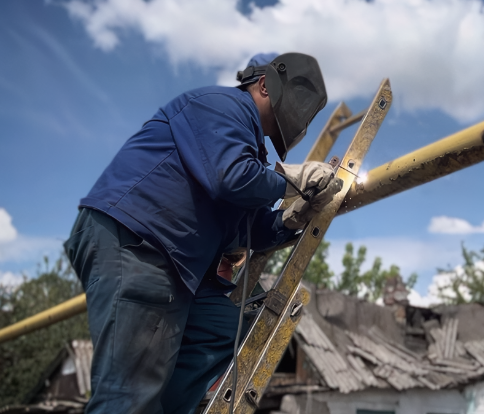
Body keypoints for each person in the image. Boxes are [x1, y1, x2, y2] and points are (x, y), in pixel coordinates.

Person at [63, 52, 343, 414]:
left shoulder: (249, 154)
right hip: (139, 241)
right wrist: (291, 180)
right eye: (292, 102)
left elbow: (249, 227)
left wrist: (288, 220)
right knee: (127, 395)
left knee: (226, 325)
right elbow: (229, 175)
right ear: (263, 85)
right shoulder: (224, 106)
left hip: (174, 261)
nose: (292, 115)